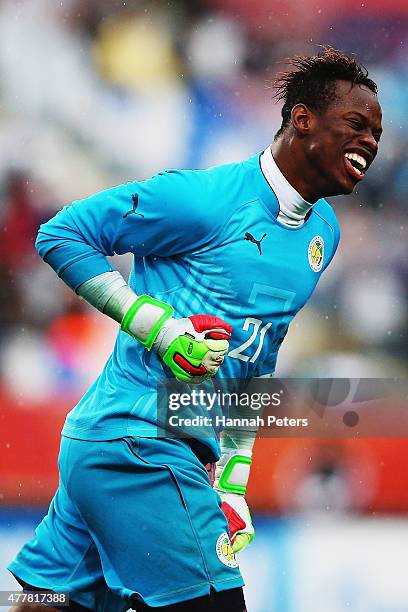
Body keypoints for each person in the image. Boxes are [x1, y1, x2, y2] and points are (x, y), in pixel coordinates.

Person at [8, 47, 382, 612]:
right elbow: (62, 233)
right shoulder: (204, 199)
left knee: (36, 604)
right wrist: (158, 327)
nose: (371, 143)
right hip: (139, 442)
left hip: (122, 451)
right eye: (357, 125)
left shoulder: (322, 236)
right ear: (302, 118)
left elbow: (257, 358)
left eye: (377, 132)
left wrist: (233, 478)